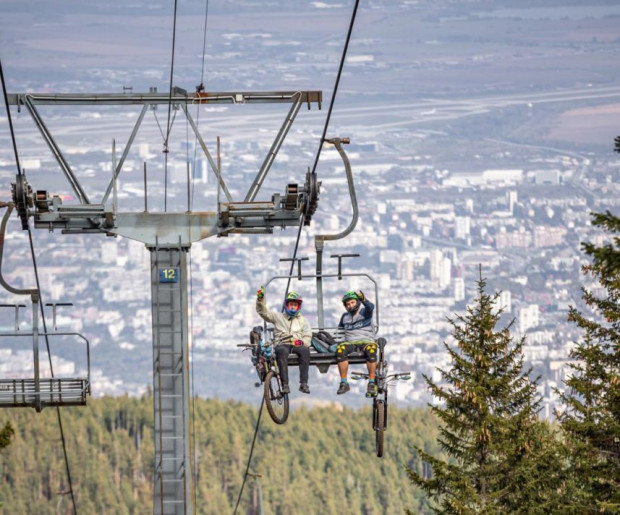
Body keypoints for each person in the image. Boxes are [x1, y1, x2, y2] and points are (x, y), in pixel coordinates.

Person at [255, 286, 312, 394]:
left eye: (295, 305)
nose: (293, 307)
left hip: (296, 343)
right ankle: (285, 384)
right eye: (291, 305)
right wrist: (260, 300)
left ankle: (304, 384)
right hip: (282, 343)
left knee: (305, 350)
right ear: (287, 305)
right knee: (282, 351)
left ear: (298, 307)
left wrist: (302, 342)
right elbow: (263, 312)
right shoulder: (278, 317)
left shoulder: (303, 321)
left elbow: (307, 335)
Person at [334, 290, 378, 396]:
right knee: (340, 350)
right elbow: (339, 330)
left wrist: (364, 299)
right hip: (350, 343)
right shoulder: (345, 316)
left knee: (371, 350)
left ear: (357, 302)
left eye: (352, 302)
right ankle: (344, 383)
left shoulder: (365, 312)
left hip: (365, 341)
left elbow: (371, 307)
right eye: (347, 304)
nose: (350, 306)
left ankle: (371, 383)